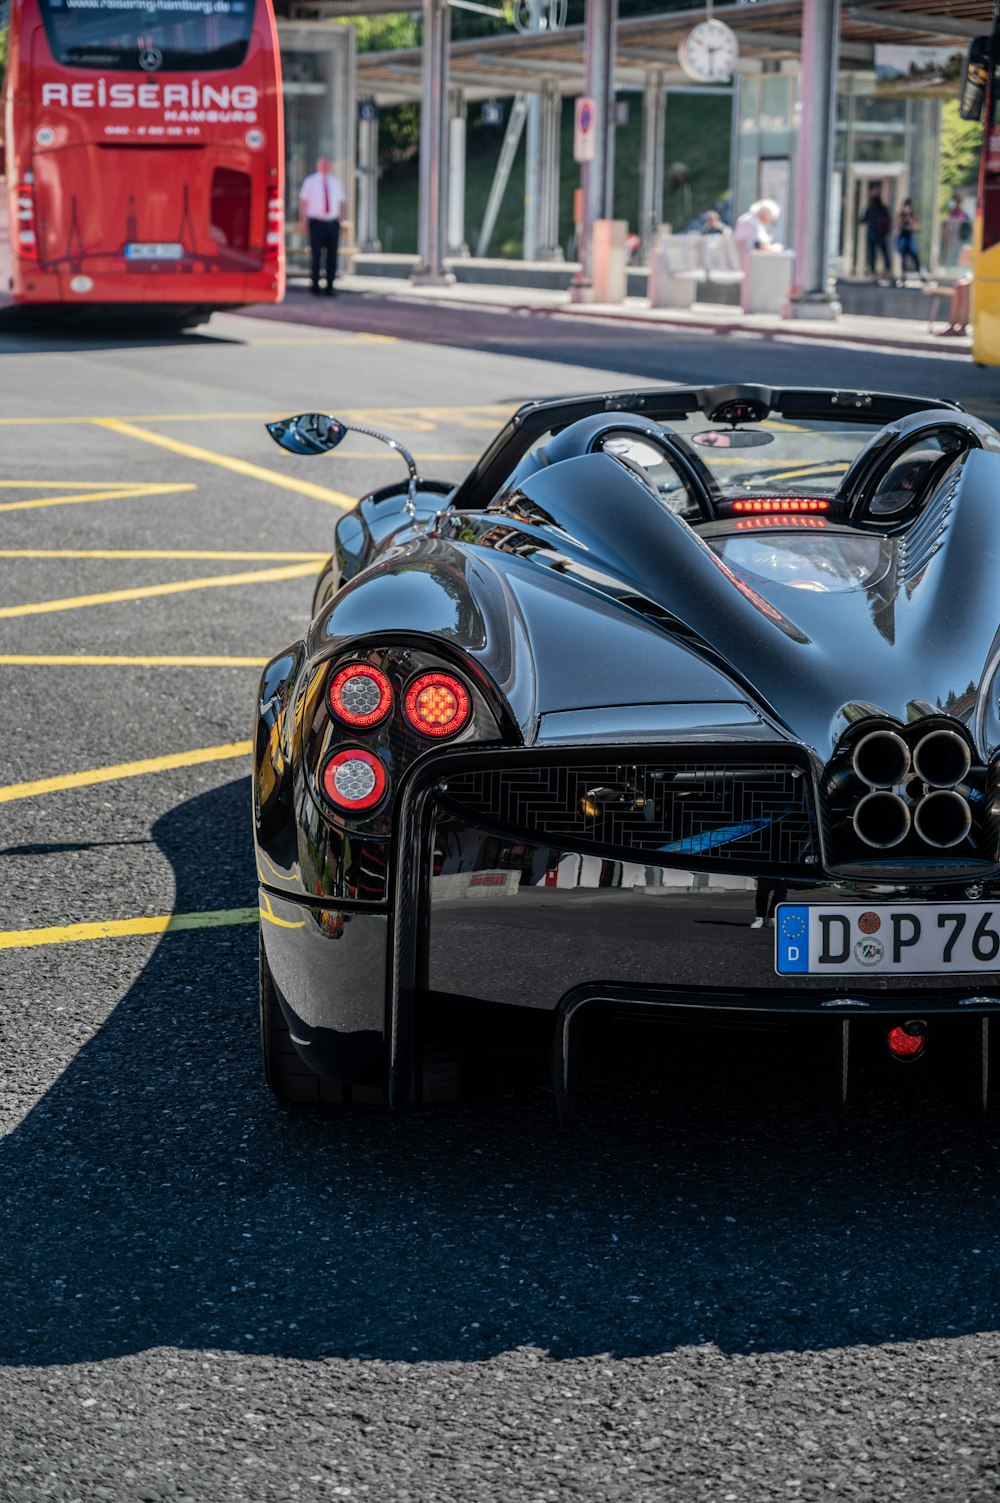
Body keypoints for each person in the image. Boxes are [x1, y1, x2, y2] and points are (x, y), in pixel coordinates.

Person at [298, 156, 345, 297]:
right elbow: (303, 201)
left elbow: (341, 202)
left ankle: (330, 286)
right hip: (316, 222)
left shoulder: (336, 182)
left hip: (332, 222)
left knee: (332, 256)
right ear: (318, 166)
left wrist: (340, 220)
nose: (325, 167)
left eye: (327, 164)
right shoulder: (310, 181)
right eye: (322, 164)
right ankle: (315, 285)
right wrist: (303, 220)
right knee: (316, 254)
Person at [733, 198, 780, 311]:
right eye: (770, 218)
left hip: (747, 259)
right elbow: (759, 244)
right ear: (765, 214)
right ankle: (750, 307)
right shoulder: (752, 222)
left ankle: (748, 306)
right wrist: (775, 249)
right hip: (749, 260)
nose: (769, 221)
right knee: (750, 284)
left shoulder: (749, 220)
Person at [861, 185, 892, 280]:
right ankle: (881, 270)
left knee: (877, 253)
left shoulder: (873, 208)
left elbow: (862, 220)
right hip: (877, 235)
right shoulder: (878, 208)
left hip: (876, 234)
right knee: (878, 253)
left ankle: (878, 270)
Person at [895, 198, 921, 280]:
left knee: (915, 255)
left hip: (910, 237)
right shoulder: (901, 215)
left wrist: (910, 220)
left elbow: (916, 226)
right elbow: (897, 226)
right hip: (903, 237)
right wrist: (902, 221)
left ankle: (919, 273)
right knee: (904, 257)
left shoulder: (913, 216)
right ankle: (903, 274)